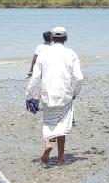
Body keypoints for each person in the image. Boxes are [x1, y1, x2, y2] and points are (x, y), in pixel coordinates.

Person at [26, 27, 83, 167]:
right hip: (65, 94)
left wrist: (29, 95)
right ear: (66, 38)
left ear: (51, 38)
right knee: (62, 126)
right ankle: (60, 159)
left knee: (48, 122)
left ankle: (47, 144)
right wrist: (75, 93)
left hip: (47, 94)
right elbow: (79, 77)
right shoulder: (71, 54)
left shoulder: (43, 54)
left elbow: (35, 77)